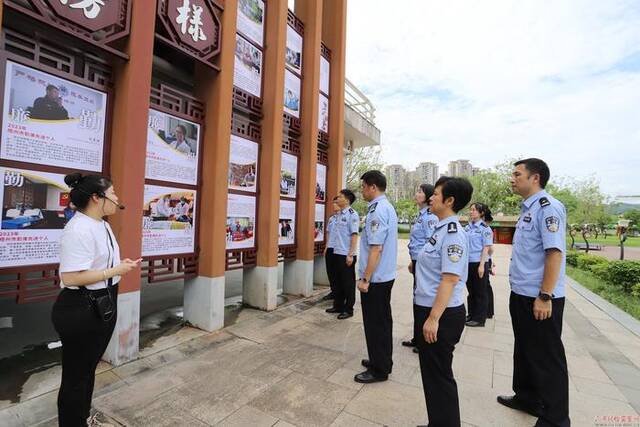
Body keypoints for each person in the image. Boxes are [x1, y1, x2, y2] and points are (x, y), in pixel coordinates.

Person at [52, 173, 141, 426]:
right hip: (80, 307)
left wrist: (118, 265)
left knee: (87, 368)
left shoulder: (101, 224)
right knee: (76, 376)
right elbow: (70, 277)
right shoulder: (78, 229)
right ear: (96, 198)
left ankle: (82, 416)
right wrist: (113, 271)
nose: (116, 198)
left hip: (102, 301)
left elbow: (99, 263)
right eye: (112, 193)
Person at [497, 158, 570, 427]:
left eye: (517, 174)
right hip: (522, 293)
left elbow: (554, 253)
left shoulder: (548, 208)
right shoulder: (528, 209)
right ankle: (527, 397)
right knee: (525, 349)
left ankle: (555, 418)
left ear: (535, 178)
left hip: (540, 296)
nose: (512, 178)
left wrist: (545, 296)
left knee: (547, 357)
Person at [414, 176, 472, 427]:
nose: (431, 197)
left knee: (439, 375)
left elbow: (449, 279)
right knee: (432, 374)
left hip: (442, 314)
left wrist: (434, 318)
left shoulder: (453, 234)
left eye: (436, 194)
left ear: (449, 201)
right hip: (429, 307)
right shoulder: (439, 228)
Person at [355, 170, 398, 384]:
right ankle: (380, 360)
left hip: (376, 279)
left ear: (373, 187)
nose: (362, 190)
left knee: (375, 324)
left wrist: (365, 279)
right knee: (381, 322)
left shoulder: (378, 211)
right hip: (384, 276)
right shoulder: (385, 207)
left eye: (363, 186)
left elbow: (375, 249)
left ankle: (379, 369)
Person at [403, 184, 438, 354]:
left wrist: (419, 262)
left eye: (420, 192)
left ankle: (422, 340)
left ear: (428, 196)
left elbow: (430, 242)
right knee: (417, 298)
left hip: (423, 263)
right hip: (417, 261)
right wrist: (412, 260)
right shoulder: (421, 215)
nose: (416, 194)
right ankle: (417, 336)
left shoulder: (430, 217)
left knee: (422, 299)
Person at [325, 189, 359, 319]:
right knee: (337, 280)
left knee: (348, 282)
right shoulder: (337, 215)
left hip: (346, 253)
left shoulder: (352, 215)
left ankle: (348, 309)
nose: (337, 199)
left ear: (347, 199)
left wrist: (351, 254)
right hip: (336, 251)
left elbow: (354, 235)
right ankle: (338, 305)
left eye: (340, 197)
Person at [464, 202, 494, 327]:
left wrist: (482, 265)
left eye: (474, 210)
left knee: (480, 292)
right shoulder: (467, 227)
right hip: (468, 263)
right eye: (470, 210)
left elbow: (486, 248)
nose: (471, 212)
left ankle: (480, 319)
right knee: (471, 291)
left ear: (481, 213)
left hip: (479, 263)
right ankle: (471, 314)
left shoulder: (485, 229)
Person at [323, 196, 341, 301]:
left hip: (339, 249)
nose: (334, 205)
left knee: (339, 273)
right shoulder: (332, 218)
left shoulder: (345, 217)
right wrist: (326, 247)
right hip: (330, 248)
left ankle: (339, 294)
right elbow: (328, 233)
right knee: (331, 272)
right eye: (333, 203)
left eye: (336, 203)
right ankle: (333, 291)